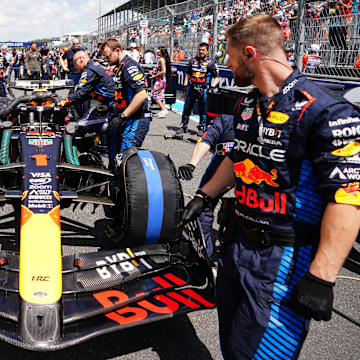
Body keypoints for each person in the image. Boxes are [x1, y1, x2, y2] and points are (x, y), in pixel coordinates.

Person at [181, 14, 360, 359]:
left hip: (284, 259)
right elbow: (239, 156)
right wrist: (205, 196)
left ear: (250, 53)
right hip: (236, 247)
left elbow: (348, 198)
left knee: (263, 354)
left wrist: (323, 276)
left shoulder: (325, 111)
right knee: (232, 347)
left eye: (230, 56)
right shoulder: (248, 102)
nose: (226, 64)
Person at [100, 37, 150, 242]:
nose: (106, 60)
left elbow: (142, 96)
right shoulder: (119, 68)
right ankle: (118, 213)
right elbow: (123, 97)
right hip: (123, 120)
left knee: (125, 170)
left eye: (107, 55)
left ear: (118, 50)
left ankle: (128, 224)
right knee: (115, 168)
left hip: (135, 120)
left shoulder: (130, 67)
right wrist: (111, 108)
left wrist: (122, 116)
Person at [178, 114, 234, 256]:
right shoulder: (225, 119)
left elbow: (207, 138)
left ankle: (203, 255)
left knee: (204, 205)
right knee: (204, 205)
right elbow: (208, 137)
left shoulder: (226, 119)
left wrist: (192, 164)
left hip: (235, 165)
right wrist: (191, 164)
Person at [176, 42, 220, 137]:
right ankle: (183, 127)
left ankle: (201, 127)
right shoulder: (192, 61)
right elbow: (188, 74)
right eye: (199, 50)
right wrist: (185, 85)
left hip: (203, 89)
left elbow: (217, 77)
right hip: (192, 88)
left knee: (203, 110)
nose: (201, 52)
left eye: (203, 50)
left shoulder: (211, 63)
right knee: (187, 108)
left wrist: (212, 86)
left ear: (207, 51)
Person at [57, 50, 115, 115]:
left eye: (75, 63)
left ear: (81, 59)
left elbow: (81, 91)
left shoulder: (89, 70)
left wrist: (63, 102)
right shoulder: (94, 65)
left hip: (112, 102)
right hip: (112, 98)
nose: (75, 67)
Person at [149, 47, 171, 118]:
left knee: (154, 94)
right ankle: (163, 111)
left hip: (160, 80)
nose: (157, 51)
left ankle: (163, 109)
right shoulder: (161, 59)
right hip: (161, 79)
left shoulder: (161, 60)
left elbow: (163, 71)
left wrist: (154, 76)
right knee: (161, 95)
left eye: (158, 50)